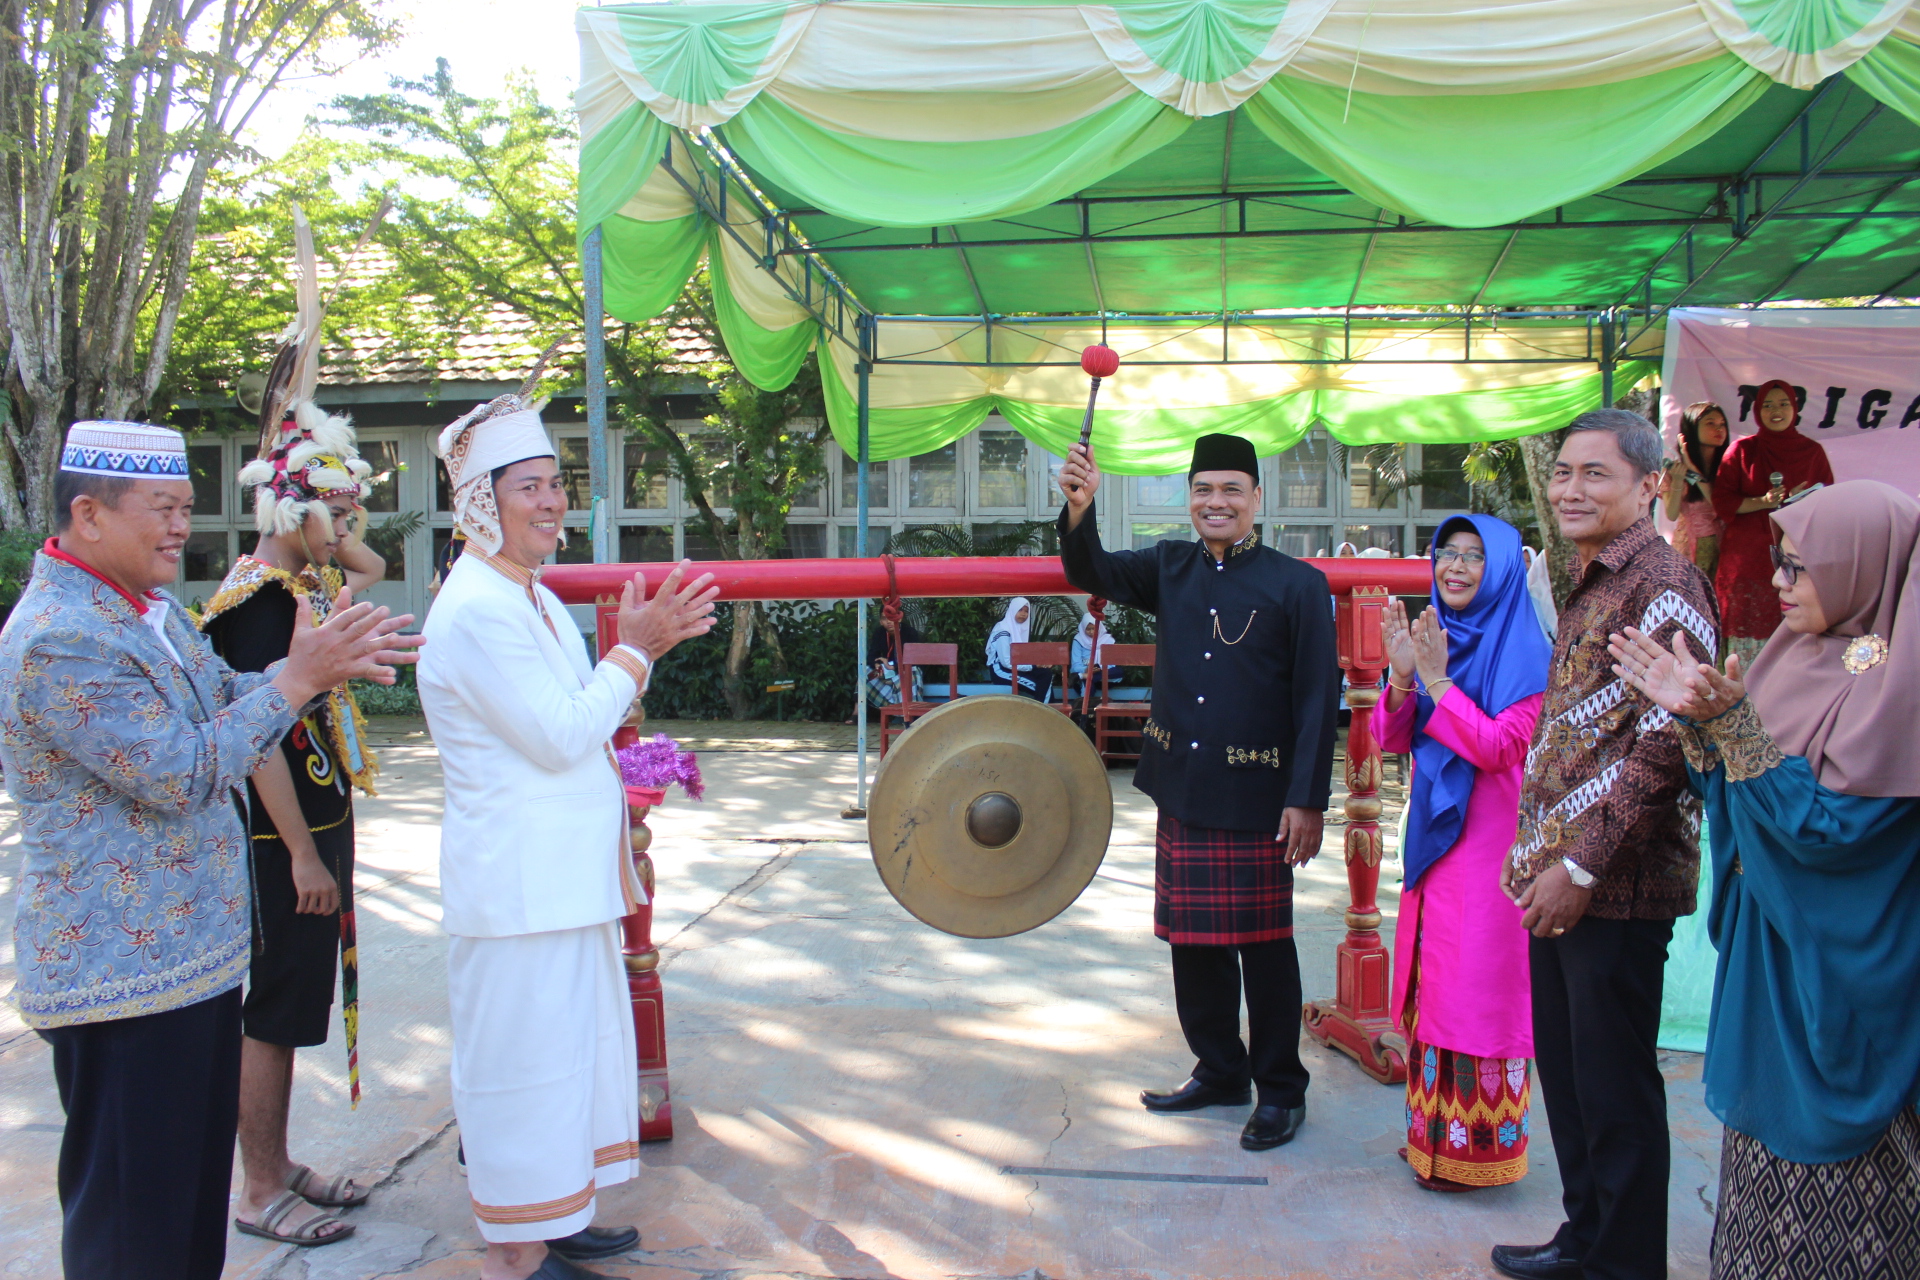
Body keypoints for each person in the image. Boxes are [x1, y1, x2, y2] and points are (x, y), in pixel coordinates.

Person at [0, 421, 419, 1280]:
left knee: (188, 1219)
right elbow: (182, 769)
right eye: (162, 509)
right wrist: (299, 682)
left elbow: (222, 692)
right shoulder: (58, 635)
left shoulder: (141, 610)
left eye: (186, 508)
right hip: (121, 979)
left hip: (190, 961)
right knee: (134, 1232)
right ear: (88, 514)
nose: (181, 527)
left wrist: (312, 667)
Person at [421, 387, 719, 1280]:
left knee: (572, 1064)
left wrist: (632, 659)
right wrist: (638, 648)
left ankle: (557, 1211)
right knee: (521, 1073)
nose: (554, 502)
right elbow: (558, 733)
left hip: (558, 882)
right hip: (516, 892)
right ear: (483, 502)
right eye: (531, 488)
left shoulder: (531, 597)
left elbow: (579, 719)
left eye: (558, 484)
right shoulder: (475, 609)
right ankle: (516, 1244)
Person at [1609, 481, 1920, 1280]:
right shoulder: (1808, 651)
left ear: (1863, 568)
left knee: (1851, 1222)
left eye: (1800, 565)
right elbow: (1741, 800)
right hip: (1768, 958)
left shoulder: (1902, 686)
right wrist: (1706, 730)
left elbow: (1835, 835)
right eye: (1778, 559)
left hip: (1837, 972)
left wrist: (1731, 727)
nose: (1777, 580)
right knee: (1755, 1203)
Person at [1057, 432, 1338, 1153]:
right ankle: (1220, 1069)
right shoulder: (1169, 566)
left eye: (1231, 490)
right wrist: (1079, 508)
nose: (1216, 503)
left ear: (1255, 500)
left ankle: (1281, 1090)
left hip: (1260, 792)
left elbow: (1315, 700)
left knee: (1266, 949)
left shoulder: (1297, 584)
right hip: (1182, 783)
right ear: (1189, 499)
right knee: (1192, 942)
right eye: (1203, 490)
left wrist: (1306, 799)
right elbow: (1090, 568)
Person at [1491, 409, 1718, 1280]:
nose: (1570, 490)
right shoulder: (1594, 576)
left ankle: (1624, 1264)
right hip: (1558, 879)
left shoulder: (1664, 587)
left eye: (1596, 474)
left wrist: (1581, 865)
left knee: (1616, 1089)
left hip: (1613, 887)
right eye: (1564, 474)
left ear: (1650, 484)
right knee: (1575, 1078)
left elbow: (1665, 744)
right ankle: (1584, 1237)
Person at [198, 402, 385, 1247]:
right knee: (272, 1012)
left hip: (316, 823)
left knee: (297, 1002)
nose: (349, 527)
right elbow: (258, 741)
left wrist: (332, 533)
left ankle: (278, 1164)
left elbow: (372, 568)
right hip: (283, 842)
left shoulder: (303, 585)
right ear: (291, 510)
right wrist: (306, 858)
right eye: (334, 510)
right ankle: (261, 1187)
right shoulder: (257, 603)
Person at [1376, 515, 1549, 1192]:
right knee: (1433, 986)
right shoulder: (1440, 639)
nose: (1454, 567)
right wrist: (1401, 676)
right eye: (1446, 553)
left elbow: (1504, 747)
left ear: (1502, 568)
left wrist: (1441, 683)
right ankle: (1429, 1140)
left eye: (1473, 556)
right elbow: (1396, 739)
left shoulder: (1526, 649)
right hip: (1436, 846)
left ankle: (1479, 1154)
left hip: (1491, 851)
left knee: (1477, 994)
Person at [1712, 379, 1832, 668]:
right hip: (1746, 560)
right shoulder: (1742, 450)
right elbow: (1722, 501)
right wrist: (1764, 501)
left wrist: (1799, 500)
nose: (1775, 411)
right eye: (1767, 405)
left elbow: (1827, 503)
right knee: (1746, 646)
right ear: (1756, 411)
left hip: (1796, 557)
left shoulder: (1812, 451)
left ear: (1794, 408)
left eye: (1782, 404)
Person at [1661, 401, 1727, 578]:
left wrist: (1695, 472)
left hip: (1726, 547)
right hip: (1690, 547)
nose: (1719, 429)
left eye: (1722, 424)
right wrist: (1677, 480)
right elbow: (1672, 513)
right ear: (1692, 428)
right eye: (1710, 423)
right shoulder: (1675, 468)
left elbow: (1722, 505)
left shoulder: (1729, 465)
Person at [985, 596, 1053, 702]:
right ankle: (1042, 713)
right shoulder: (1003, 630)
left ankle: (1044, 712)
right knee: (1043, 688)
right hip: (1001, 671)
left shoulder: (1019, 629)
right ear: (1012, 610)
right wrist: (1033, 666)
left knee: (1045, 674)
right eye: (1020, 610)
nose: (1023, 614)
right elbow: (1006, 662)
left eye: (1026, 611)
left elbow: (1022, 657)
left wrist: (1040, 663)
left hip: (1014, 669)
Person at [1069, 609, 1121, 701]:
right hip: (1085, 670)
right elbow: (1075, 664)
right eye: (1088, 629)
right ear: (1083, 628)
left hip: (1103, 673)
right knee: (1087, 679)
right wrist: (1086, 669)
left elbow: (1111, 664)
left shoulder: (1108, 639)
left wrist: (1099, 668)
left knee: (1119, 671)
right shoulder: (1078, 640)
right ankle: (1087, 710)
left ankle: (1087, 676)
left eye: (1094, 628)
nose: (1091, 632)